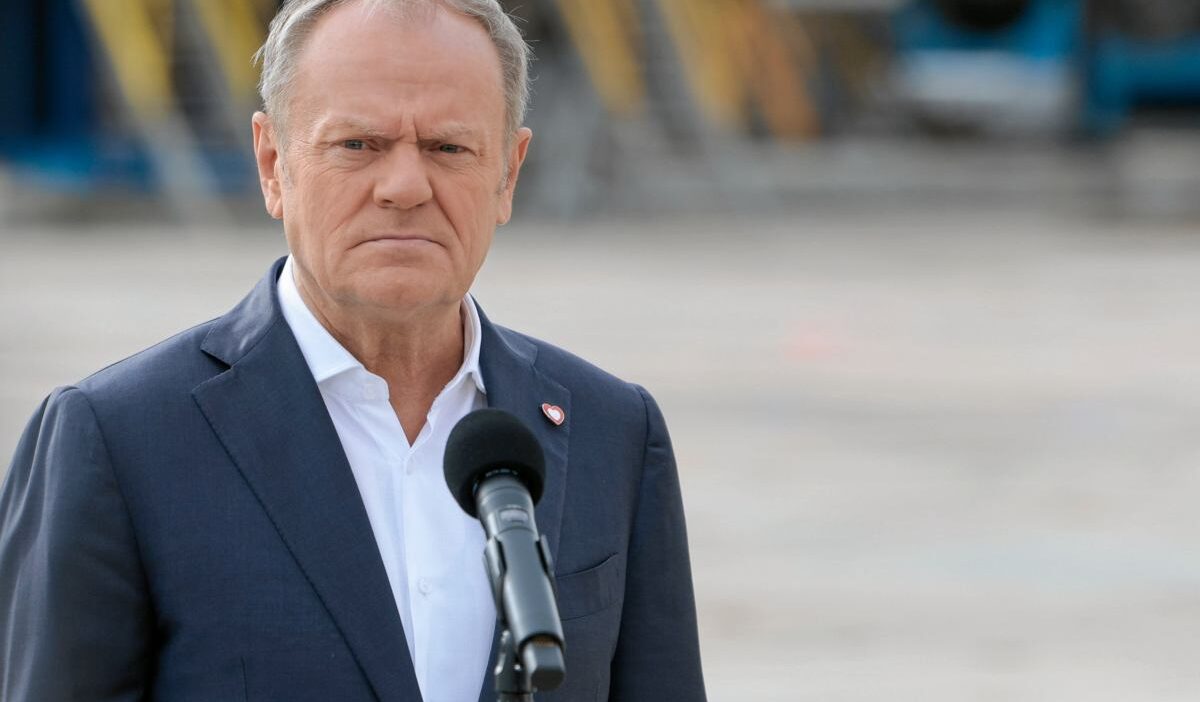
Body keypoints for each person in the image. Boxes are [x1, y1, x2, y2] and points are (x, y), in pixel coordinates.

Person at [0, 0, 706, 700]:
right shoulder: (120, 440)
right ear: (273, 164)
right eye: (357, 145)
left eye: (448, 148)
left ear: (508, 175)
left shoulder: (611, 432)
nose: (405, 187)